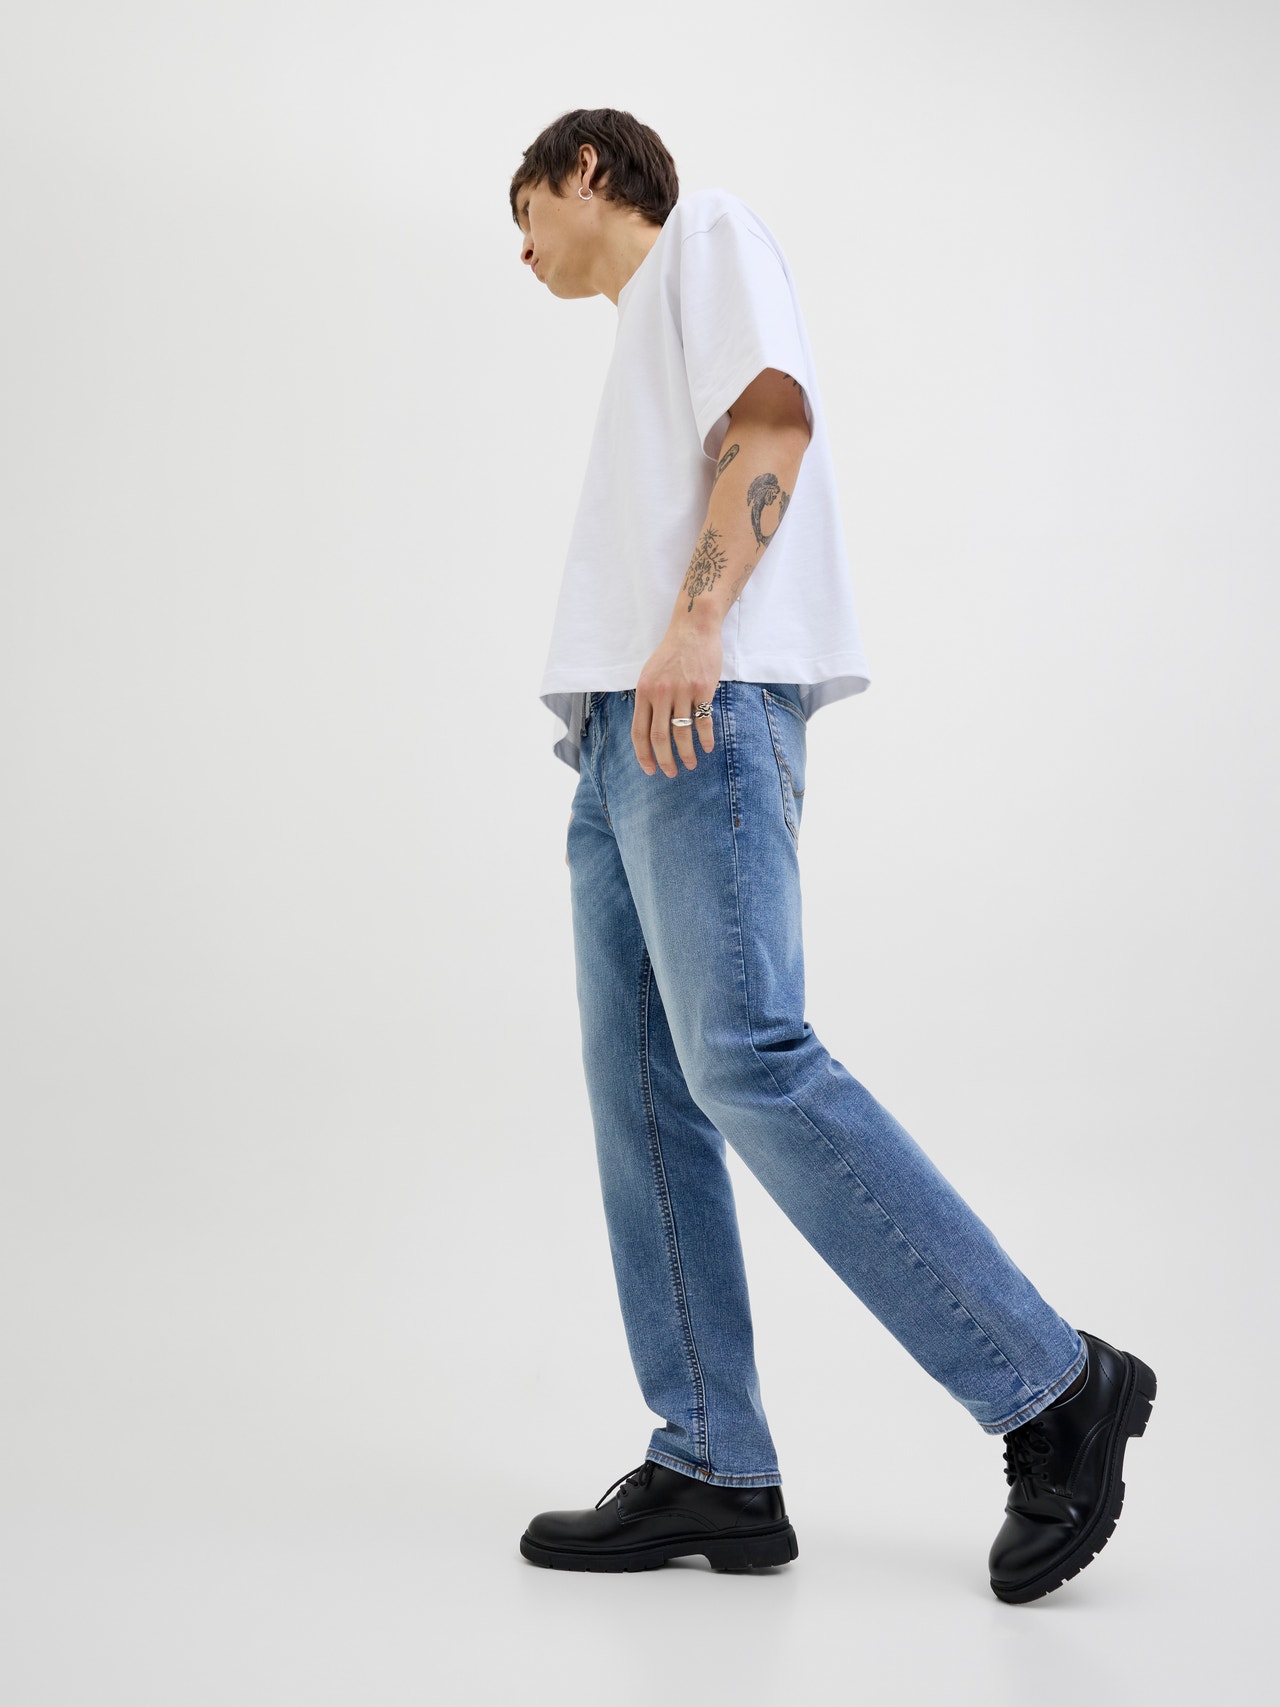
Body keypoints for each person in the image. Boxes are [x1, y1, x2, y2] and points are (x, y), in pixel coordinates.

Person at [508, 107, 1156, 1601]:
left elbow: (774, 423)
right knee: (646, 1096)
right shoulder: (639, 337)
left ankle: (1056, 1387)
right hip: (620, 741)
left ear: (587, 171)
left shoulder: (705, 238)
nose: (520, 250)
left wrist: (696, 626)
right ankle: (713, 1460)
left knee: (749, 1058)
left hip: (699, 707)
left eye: (523, 210)